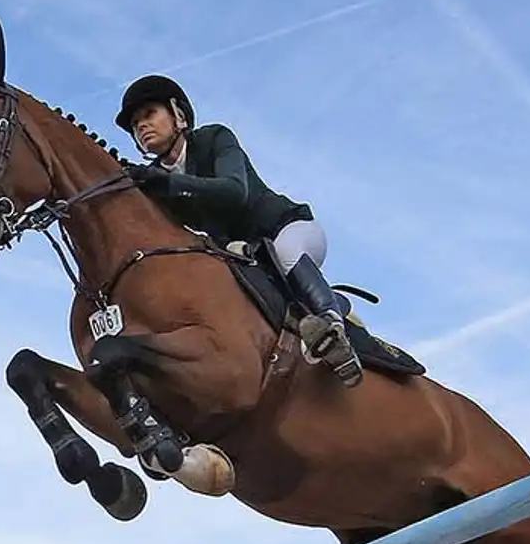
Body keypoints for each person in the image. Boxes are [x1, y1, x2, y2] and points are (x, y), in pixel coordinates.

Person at [115, 75, 362, 385]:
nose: (141, 126)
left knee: (286, 252)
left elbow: (234, 191)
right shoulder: (153, 177)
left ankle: (331, 324)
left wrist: (167, 184)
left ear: (178, 114)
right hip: (243, 255)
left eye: (149, 114)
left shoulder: (214, 138)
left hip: (287, 230)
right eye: (135, 123)